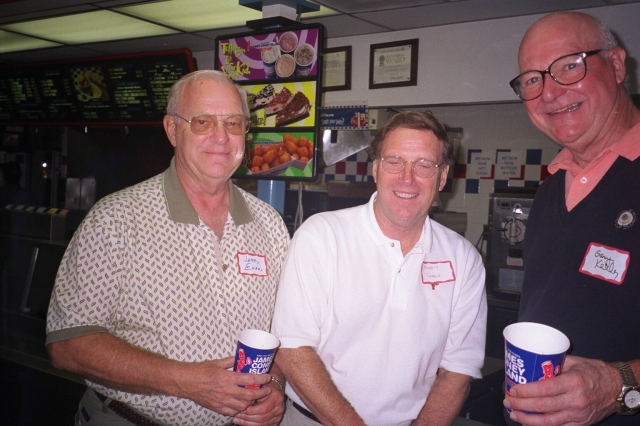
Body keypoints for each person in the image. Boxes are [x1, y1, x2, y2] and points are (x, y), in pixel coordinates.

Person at [46, 70, 289, 426]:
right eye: (203, 122)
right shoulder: (116, 220)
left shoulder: (269, 225)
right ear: (173, 129)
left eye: (234, 123)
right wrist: (186, 381)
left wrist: (275, 387)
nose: (221, 138)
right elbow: (68, 345)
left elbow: (285, 335)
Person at [271, 110, 487, 426]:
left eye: (424, 165)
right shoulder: (321, 236)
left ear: (442, 176)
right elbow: (293, 349)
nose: (407, 178)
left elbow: (458, 367)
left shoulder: (464, 258)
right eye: (394, 162)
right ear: (375, 169)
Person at [504, 11, 640, 426]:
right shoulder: (549, 190)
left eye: (569, 66)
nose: (549, 93)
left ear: (616, 65)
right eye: (532, 79)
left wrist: (619, 387)